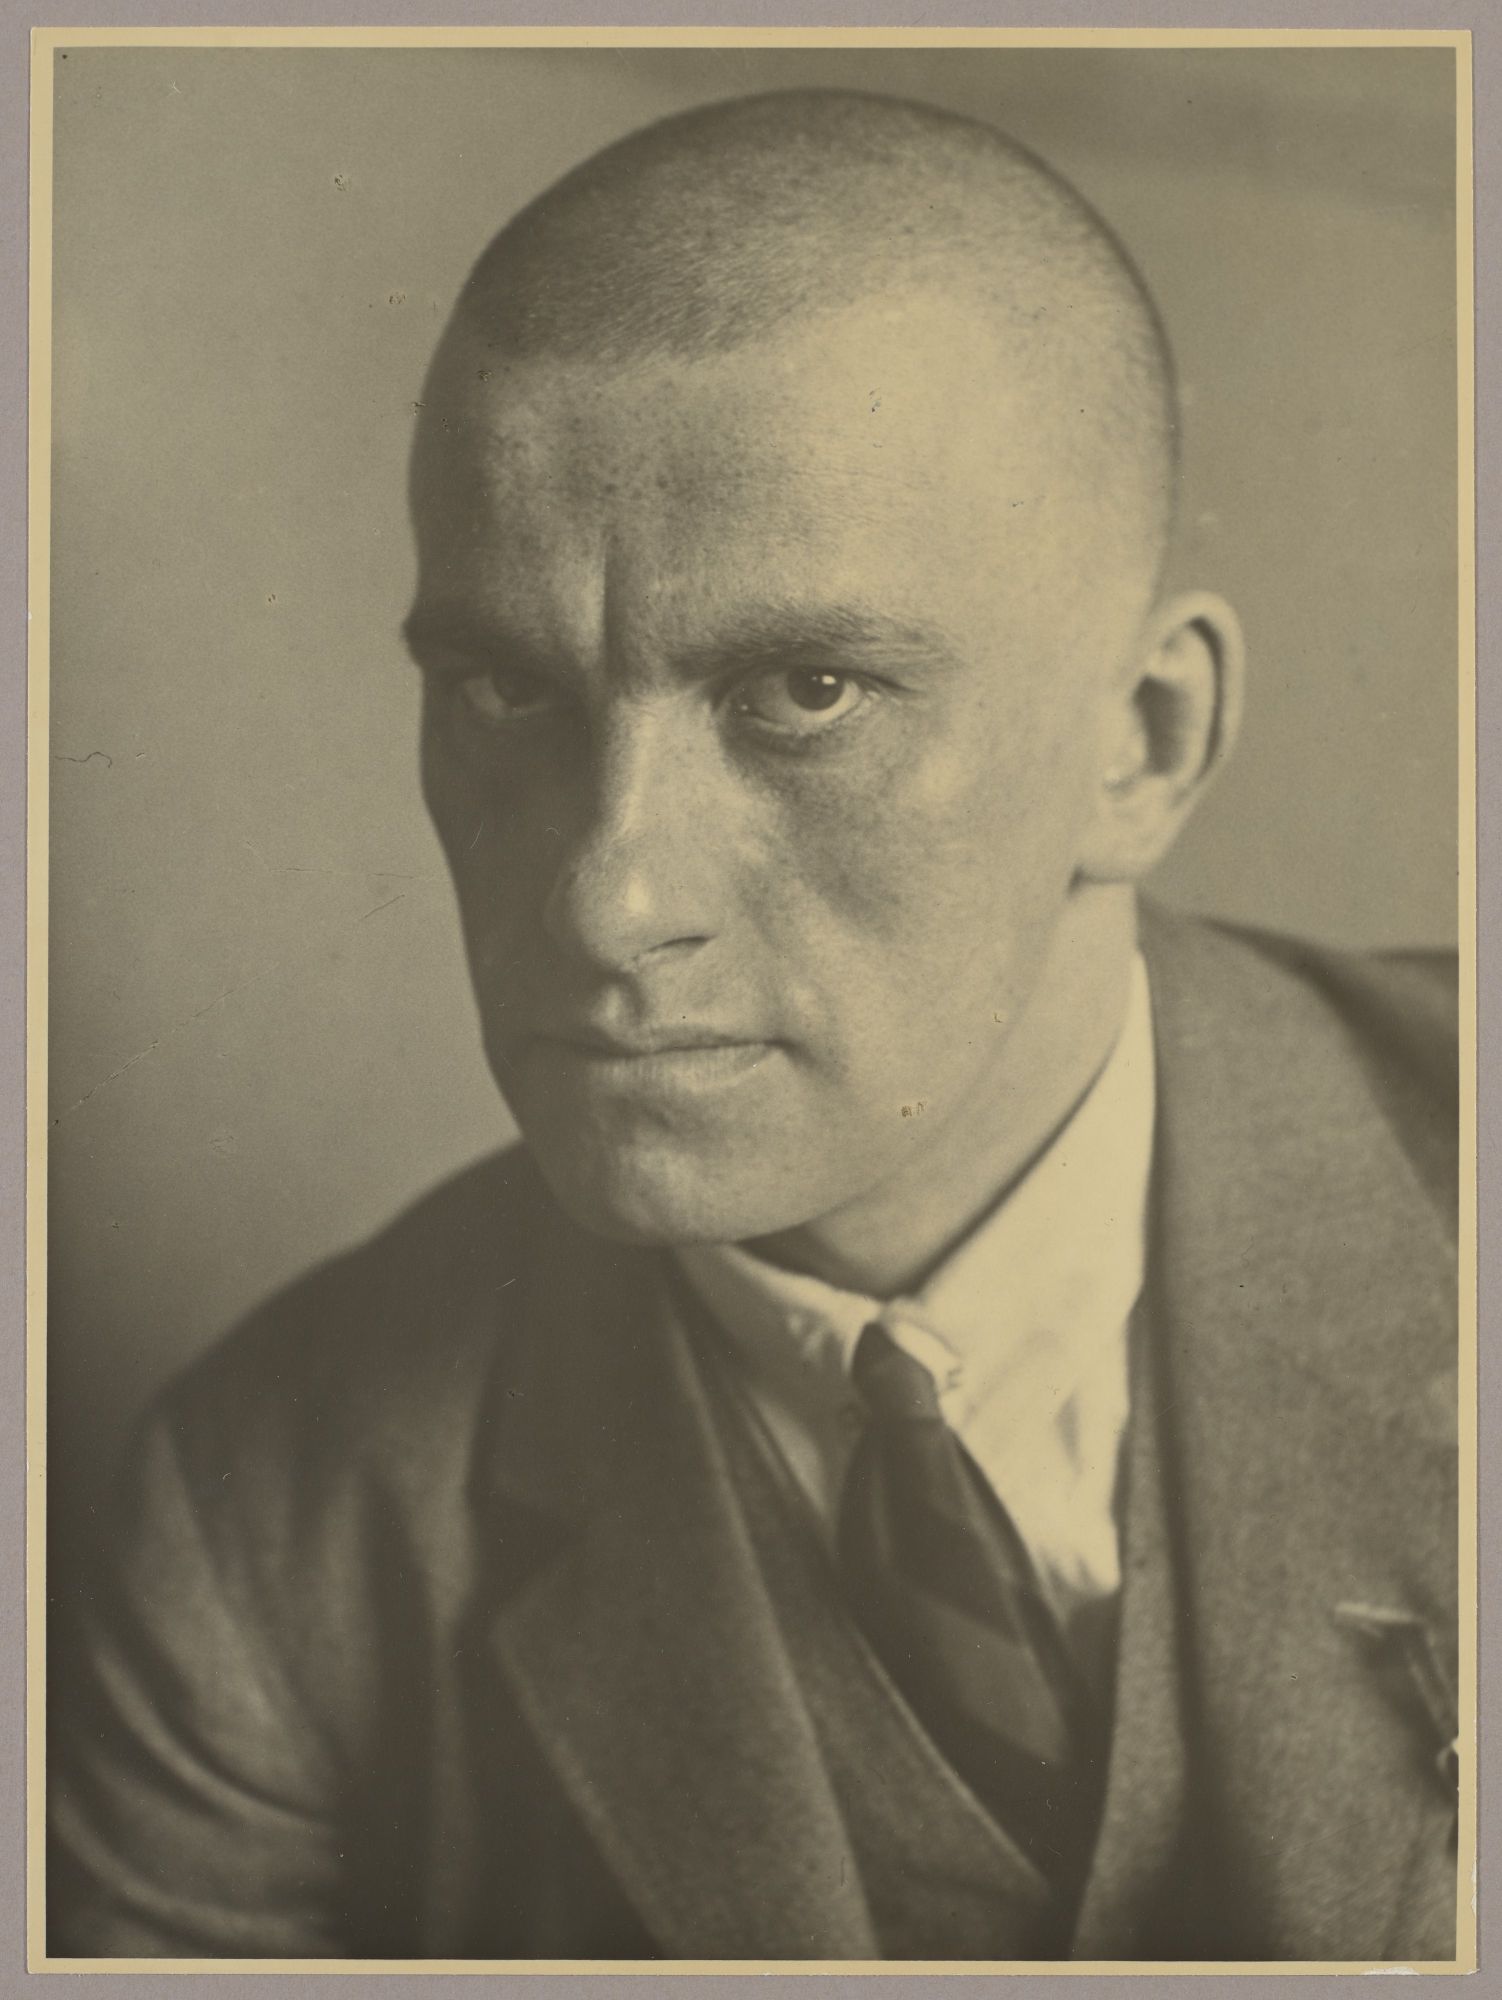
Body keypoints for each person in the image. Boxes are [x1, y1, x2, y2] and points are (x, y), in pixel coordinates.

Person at [49, 89, 1459, 1963]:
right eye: (502, 690)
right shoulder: (262, 1527)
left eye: (805, 690)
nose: (605, 897)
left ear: (1142, 743)